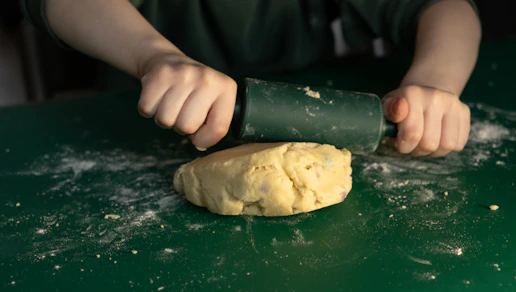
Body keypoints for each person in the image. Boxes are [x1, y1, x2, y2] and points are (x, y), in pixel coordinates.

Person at [21, 0, 481, 157]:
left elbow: (446, 6)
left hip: (318, 119)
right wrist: (154, 57)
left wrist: (436, 85)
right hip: (144, 122)